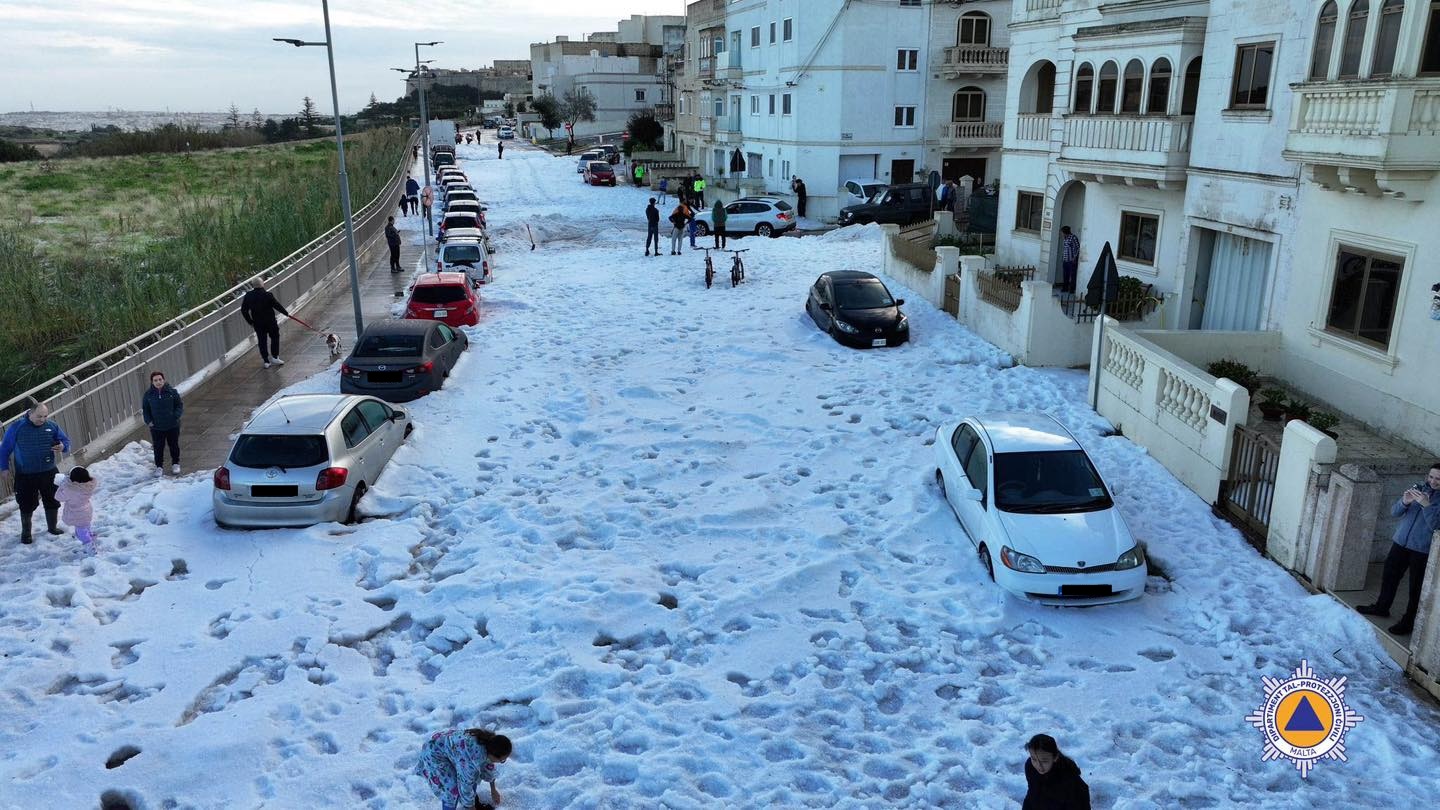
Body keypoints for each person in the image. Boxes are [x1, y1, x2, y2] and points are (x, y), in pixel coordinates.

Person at [1359, 464, 1440, 635]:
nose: (1433, 481)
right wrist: (1405, 501)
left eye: (1438, 478)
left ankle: (1409, 622)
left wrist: (1427, 505)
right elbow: (1395, 512)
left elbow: (1436, 526)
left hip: (1422, 550)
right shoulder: (1418, 487)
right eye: (1431, 476)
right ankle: (1382, 607)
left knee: (1415, 588)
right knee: (1389, 576)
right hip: (1400, 543)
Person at [0, 403, 71, 544]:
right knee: (26, 503)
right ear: (30, 413)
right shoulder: (17, 427)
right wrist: (4, 468)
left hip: (49, 471)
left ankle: (52, 527)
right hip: (25, 474)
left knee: (53, 500)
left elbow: (66, 442)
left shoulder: (52, 425)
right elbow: (5, 449)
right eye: (39, 416)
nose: (42, 419)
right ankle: (26, 533)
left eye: (45, 416)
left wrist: (63, 446)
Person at [415, 728, 512, 810]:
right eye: (502, 760)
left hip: (450, 749)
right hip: (434, 753)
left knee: (472, 777)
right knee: (451, 789)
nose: (501, 762)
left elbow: (488, 767)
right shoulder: (472, 759)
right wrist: (470, 807)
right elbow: (465, 783)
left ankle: (472, 801)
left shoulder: (488, 745)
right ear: (493, 754)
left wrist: (493, 789)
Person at [1022, 734, 1091, 810]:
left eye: (1044, 761)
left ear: (1055, 757)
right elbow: (1032, 794)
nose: (1039, 766)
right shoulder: (1030, 767)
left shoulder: (1069, 780)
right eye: (1034, 759)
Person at [240, 279, 291, 369]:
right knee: (275, 337)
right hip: (270, 322)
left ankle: (266, 361)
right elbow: (277, 305)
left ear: (253, 286)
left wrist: (250, 321)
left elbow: (244, 310)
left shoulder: (248, 296)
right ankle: (275, 357)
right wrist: (286, 313)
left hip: (258, 323)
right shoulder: (268, 295)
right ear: (262, 284)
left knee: (262, 341)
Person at [142, 371, 184, 475]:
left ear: (163, 380)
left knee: (173, 445)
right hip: (157, 427)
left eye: (160, 379)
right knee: (158, 447)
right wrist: (149, 421)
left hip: (172, 425)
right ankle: (159, 466)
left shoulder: (172, 392)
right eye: (155, 380)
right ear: (152, 382)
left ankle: (175, 463)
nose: (158, 382)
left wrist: (175, 416)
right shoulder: (148, 395)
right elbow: (146, 410)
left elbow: (179, 405)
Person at [56, 466, 97, 555]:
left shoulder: (70, 490)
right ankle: (91, 538)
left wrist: (62, 485)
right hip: (87, 510)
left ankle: (90, 546)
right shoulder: (88, 486)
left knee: (80, 532)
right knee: (86, 526)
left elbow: (58, 497)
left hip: (77, 514)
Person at [1060, 226, 1081, 294]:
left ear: (1065, 232)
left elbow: (1078, 248)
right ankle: (1065, 288)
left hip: (1072, 260)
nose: (1062, 234)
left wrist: (1074, 258)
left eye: (1062, 232)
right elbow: (1065, 249)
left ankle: (1072, 289)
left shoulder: (1073, 238)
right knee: (1065, 275)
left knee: (1072, 275)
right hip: (1065, 260)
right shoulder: (1065, 238)